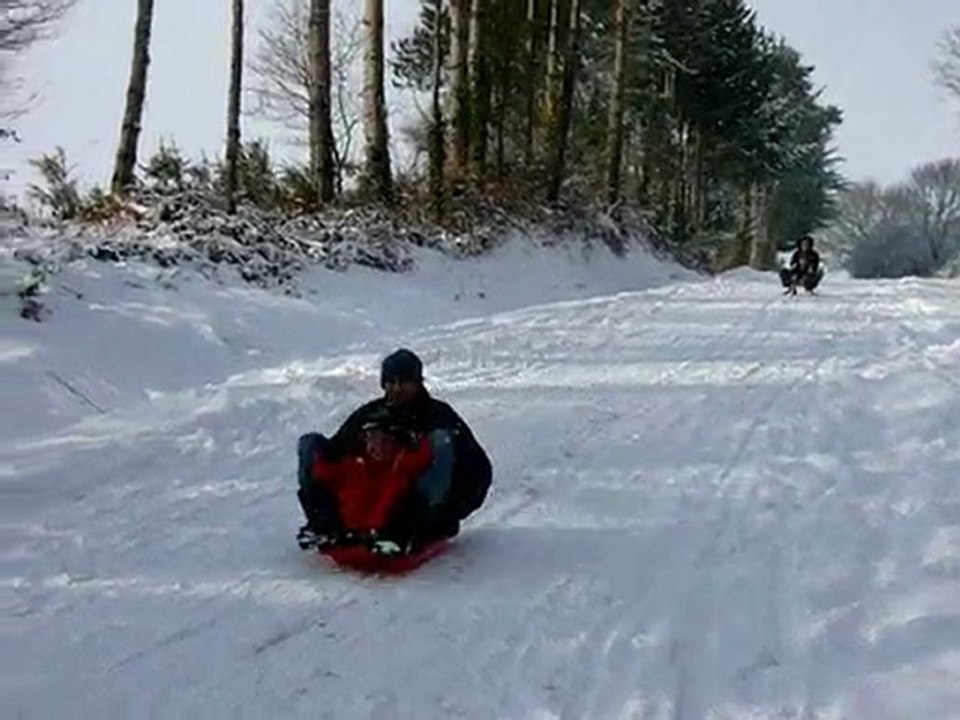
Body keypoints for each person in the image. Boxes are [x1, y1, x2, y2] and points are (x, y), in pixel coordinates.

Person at [296, 348, 493, 556]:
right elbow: (338, 450)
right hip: (377, 497)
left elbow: (476, 467)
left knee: (440, 441)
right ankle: (326, 526)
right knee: (311, 444)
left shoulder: (438, 415)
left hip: (424, 505)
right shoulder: (372, 413)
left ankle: (412, 530)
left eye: (405, 382)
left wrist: (450, 512)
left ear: (418, 382)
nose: (397, 388)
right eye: (391, 382)